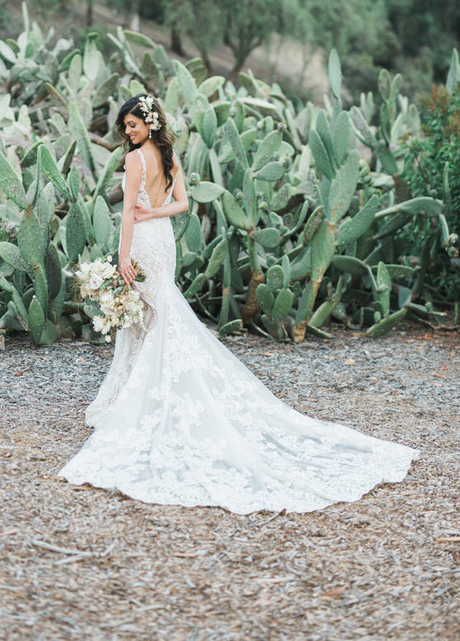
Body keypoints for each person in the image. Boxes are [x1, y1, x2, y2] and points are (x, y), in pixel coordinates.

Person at [59, 94, 418, 514]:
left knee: (150, 316)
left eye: (133, 125)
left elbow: (127, 215)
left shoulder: (136, 159)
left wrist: (123, 255)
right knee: (155, 314)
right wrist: (155, 214)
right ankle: (138, 394)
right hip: (162, 240)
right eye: (124, 126)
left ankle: (143, 399)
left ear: (149, 123)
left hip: (142, 242)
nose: (127, 131)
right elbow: (182, 204)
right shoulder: (169, 156)